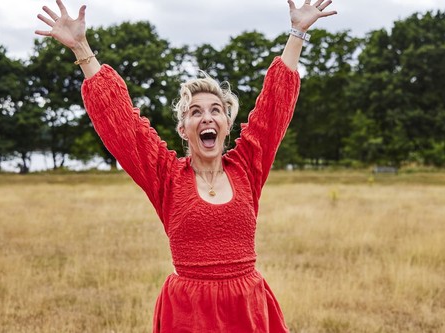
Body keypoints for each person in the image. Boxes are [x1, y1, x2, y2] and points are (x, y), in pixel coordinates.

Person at [36, 1, 337, 331]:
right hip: (188, 312)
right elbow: (123, 123)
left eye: (215, 110)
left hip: (246, 307)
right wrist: (81, 47)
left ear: (226, 124)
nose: (207, 117)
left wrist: (297, 33)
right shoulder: (165, 175)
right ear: (184, 129)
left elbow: (273, 109)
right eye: (196, 112)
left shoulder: (247, 166)